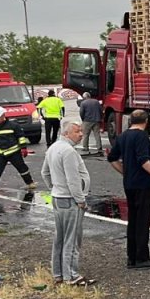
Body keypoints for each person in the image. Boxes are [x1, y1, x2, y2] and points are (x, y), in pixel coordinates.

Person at [108, 110, 150, 269]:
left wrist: (125, 172)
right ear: (146, 121)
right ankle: (142, 258)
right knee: (143, 221)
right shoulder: (141, 136)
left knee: (133, 220)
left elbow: (112, 158)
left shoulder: (122, 136)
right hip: (143, 184)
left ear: (130, 120)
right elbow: (144, 160)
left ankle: (132, 257)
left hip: (129, 183)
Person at [41, 121, 94, 286]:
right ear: (66, 133)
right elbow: (73, 179)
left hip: (58, 198)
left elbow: (45, 172)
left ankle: (58, 273)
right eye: (77, 131)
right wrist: (80, 200)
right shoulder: (68, 151)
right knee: (72, 239)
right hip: (69, 200)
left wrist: (54, 187)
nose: (81, 134)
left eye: (81, 131)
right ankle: (70, 275)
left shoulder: (53, 148)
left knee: (60, 238)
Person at [0, 106, 35, 194]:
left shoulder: (14, 126)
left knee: (22, 168)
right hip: (0, 153)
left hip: (14, 152)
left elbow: (21, 137)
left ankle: (30, 183)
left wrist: (23, 148)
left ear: (3, 115)